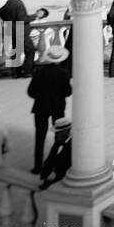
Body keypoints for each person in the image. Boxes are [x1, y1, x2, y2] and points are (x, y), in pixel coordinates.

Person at [27, 44, 71, 174]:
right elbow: (67, 92)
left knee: (40, 137)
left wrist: (41, 96)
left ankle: (37, 166)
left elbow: (31, 91)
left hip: (40, 107)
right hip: (57, 108)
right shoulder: (63, 74)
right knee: (60, 137)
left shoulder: (39, 73)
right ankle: (54, 162)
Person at [0, 0, 34, 78]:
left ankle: (15, 73)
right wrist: (35, 16)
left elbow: (0, 12)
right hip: (21, 31)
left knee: (16, 51)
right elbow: (23, 19)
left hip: (12, 30)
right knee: (30, 50)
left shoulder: (9, 2)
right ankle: (27, 72)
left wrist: (9, 21)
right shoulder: (19, 3)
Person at [39, 118, 72, 188]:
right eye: (56, 133)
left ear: (66, 131)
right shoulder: (58, 141)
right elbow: (50, 158)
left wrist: (53, 174)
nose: (56, 135)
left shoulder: (71, 144)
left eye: (58, 132)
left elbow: (64, 164)